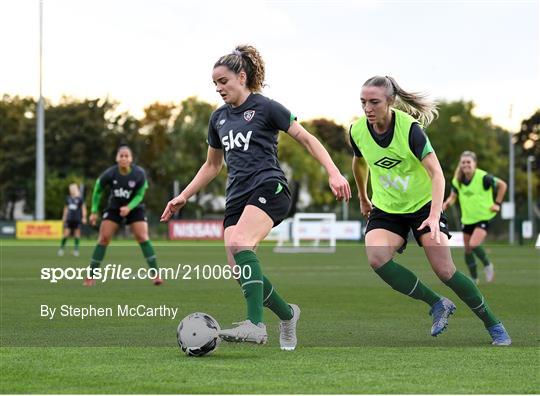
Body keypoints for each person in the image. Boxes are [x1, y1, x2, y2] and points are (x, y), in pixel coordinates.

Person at [161, 45, 351, 350]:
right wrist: (183, 195)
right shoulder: (218, 119)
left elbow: (306, 138)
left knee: (240, 245)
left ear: (242, 76)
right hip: (236, 198)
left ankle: (256, 325)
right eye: (215, 84)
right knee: (240, 269)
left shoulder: (266, 107)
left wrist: (333, 171)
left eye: (223, 81)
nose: (219, 88)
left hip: (269, 187)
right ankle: (288, 315)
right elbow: (212, 165)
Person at [349, 75, 511, 345]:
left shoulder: (410, 129)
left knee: (445, 271)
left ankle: (493, 324)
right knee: (377, 258)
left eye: (374, 102)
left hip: (424, 206)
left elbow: (437, 174)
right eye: (363, 102)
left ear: (390, 101)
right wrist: (364, 197)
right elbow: (359, 163)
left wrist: (434, 216)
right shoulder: (356, 131)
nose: (367, 108)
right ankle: (437, 304)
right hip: (387, 208)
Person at [84, 145, 162, 286]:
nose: (124, 158)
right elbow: (97, 189)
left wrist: (129, 207)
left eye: (127, 156)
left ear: (131, 158)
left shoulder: (139, 173)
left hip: (135, 208)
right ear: (117, 158)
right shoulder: (110, 173)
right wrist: (94, 211)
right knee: (103, 238)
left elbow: (140, 195)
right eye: (121, 156)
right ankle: (90, 276)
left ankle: (156, 274)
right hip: (114, 208)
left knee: (142, 237)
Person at [443, 151, 507, 284]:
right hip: (467, 219)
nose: (466, 165)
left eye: (468, 162)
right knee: (467, 250)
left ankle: (488, 264)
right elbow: (453, 197)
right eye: (463, 162)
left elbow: (502, 185)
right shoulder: (458, 181)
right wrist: (445, 205)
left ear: (474, 164)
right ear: (460, 165)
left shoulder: (484, 177)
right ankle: (474, 278)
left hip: (483, 217)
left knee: (473, 244)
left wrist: (497, 203)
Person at [58, 183, 87, 257]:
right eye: (70, 189)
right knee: (65, 234)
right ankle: (61, 249)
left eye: (72, 189)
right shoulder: (68, 198)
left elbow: (83, 208)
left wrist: (84, 217)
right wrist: (64, 217)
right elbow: (66, 208)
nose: (70, 190)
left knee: (77, 235)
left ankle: (76, 250)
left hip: (77, 219)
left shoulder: (80, 198)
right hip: (69, 219)